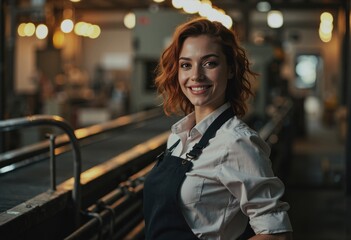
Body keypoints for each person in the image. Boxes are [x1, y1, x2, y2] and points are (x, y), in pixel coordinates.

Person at [143, 17, 293, 240]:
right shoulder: (178, 135)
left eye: (209, 63)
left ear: (231, 69)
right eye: (186, 65)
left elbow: (276, 233)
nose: (195, 76)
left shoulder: (237, 142)